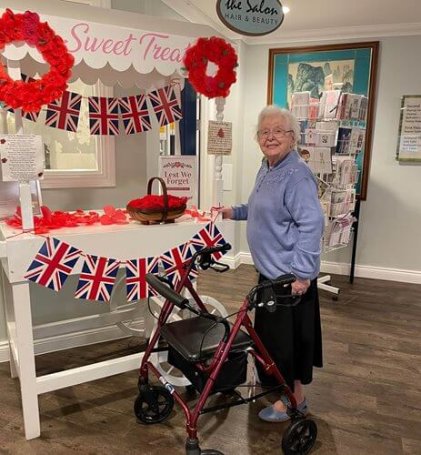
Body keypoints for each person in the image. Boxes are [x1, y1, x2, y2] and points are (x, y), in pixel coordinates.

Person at [219, 105, 324, 422]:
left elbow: (312, 224)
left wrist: (302, 275)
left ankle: (295, 401)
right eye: (265, 131)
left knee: (286, 346)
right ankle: (283, 392)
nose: (271, 137)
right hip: (269, 275)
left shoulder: (297, 175)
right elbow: (258, 208)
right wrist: (233, 211)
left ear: (293, 138)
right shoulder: (267, 168)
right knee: (273, 344)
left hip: (289, 280)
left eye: (279, 131)